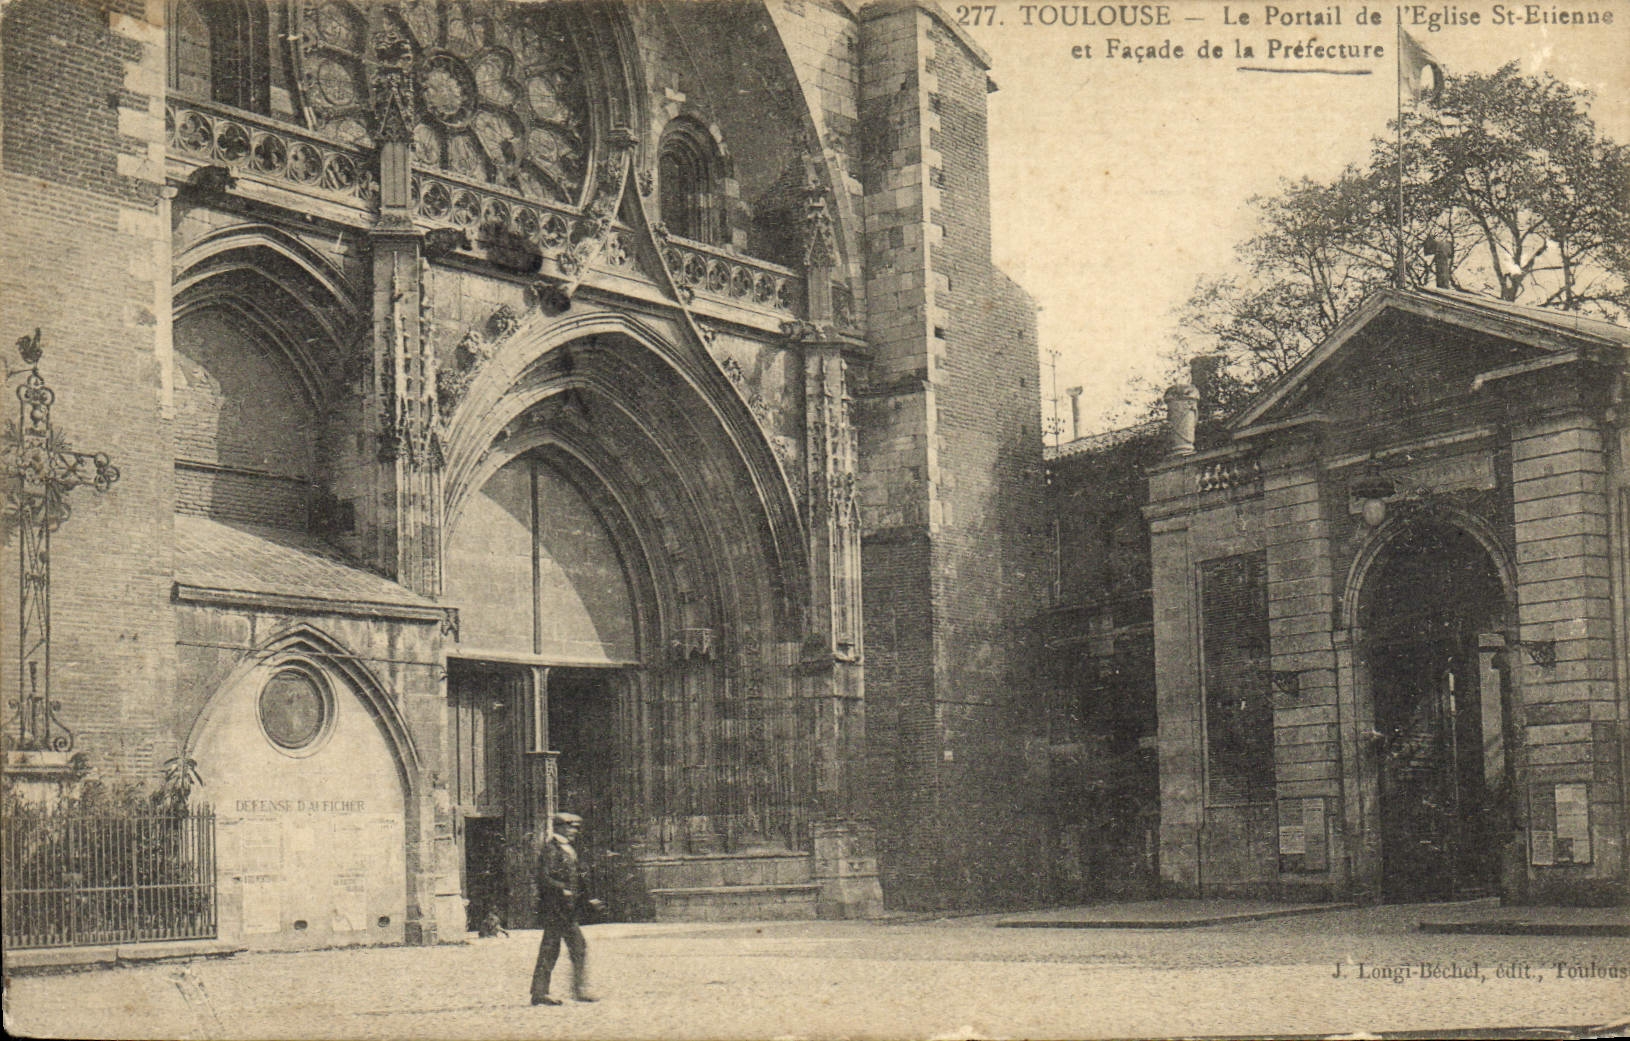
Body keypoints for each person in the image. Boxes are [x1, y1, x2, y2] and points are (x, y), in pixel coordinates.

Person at [530, 811, 600, 1005]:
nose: (574, 832)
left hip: (565, 910)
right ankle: (564, 991)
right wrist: (563, 890)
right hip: (556, 909)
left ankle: (545, 992)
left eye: (576, 828)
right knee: (563, 948)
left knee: (564, 948)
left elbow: (577, 878)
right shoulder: (552, 849)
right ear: (560, 827)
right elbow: (544, 878)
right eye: (571, 828)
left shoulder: (567, 849)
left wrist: (587, 899)